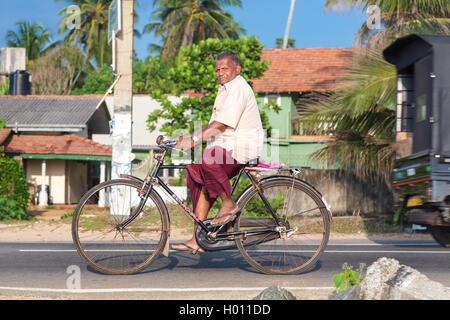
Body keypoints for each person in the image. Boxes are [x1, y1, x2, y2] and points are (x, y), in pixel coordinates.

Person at [171, 50, 263, 254]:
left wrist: (193, 139)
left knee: (208, 159)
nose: (220, 73)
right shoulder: (224, 90)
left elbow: (221, 125)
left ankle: (228, 205)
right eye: (217, 70)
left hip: (241, 146)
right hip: (225, 146)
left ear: (237, 70)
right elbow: (213, 124)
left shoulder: (238, 87)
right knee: (196, 172)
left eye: (225, 69)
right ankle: (198, 238)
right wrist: (186, 138)